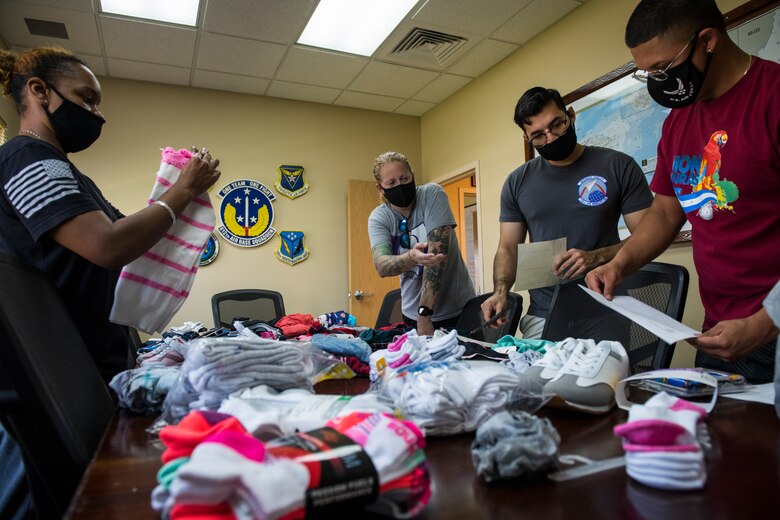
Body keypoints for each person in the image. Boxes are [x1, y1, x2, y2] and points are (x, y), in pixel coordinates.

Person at [0, 46, 220, 518]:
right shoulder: (27, 158)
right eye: (86, 98)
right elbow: (107, 246)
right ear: (40, 91)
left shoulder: (67, 171)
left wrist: (180, 195)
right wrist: (181, 191)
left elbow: (130, 247)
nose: (96, 114)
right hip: (53, 376)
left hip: (85, 362)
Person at [586, 0, 780, 382]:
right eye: (647, 73)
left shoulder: (772, 97)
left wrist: (767, 321)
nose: (657, 81)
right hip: (719, 331)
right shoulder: (678, 123)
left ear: (706, 40)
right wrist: (619, 264)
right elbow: (664, 212)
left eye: (662, 68)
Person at [481, 87, 653, 338]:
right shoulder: (517, 182)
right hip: (544, 313)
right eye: (538, 135)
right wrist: (500, 290)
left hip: (605, 307)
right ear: (526, 138)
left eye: (557, 125)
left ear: (570, 115)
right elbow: (507, 247)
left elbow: (648, 236)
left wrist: (597, 257)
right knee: (534, 377)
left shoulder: (617, 165)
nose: (550, 138)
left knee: (603, 378)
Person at [368, 151, 475, 335]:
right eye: (391, 183)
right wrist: (411, 257)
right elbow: (382, 266)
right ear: (380, 188)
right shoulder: (380, 217)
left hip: (458, 311)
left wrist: (425, 313)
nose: (399, 185)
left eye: (404, 178)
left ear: (413, 176)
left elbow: (436, 257)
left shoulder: (431, 194)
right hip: (411, 315)